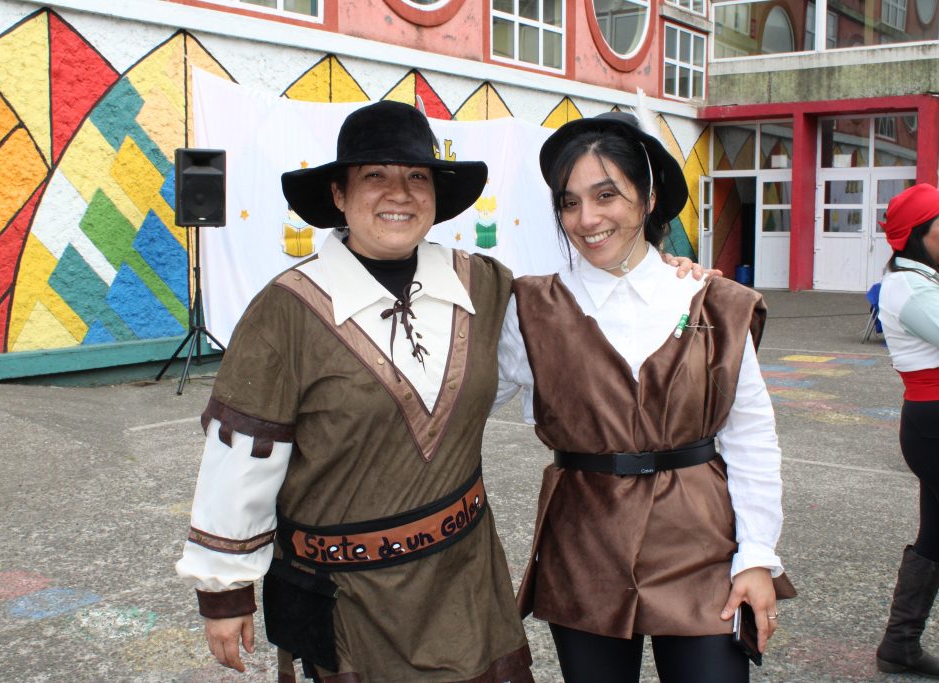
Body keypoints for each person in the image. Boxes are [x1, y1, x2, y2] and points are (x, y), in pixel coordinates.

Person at [175, 100, 534, 682]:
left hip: (466, 578)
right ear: (339, 195)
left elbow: (571, 332)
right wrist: (225, 590)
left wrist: (661, 274)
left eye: (417, 176)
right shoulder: (286, 310)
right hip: (350, 599)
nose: (400, 194)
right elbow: (242, 458)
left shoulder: (484, 285)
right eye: (375, 176)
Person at [495, 112, 795, 682]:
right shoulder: (530, 309)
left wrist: (757, 555)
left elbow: (751, 437)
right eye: (569, 202)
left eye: (606, 194)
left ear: (649, 197)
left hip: (701, 539)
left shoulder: (716, 303)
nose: (587, 219)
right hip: (585, 539)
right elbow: (463, 400)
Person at [876, 182, 939, 677]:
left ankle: (900, 645)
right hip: (932, 422)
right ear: (920, 234)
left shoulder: (922, 280)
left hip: (930, 421)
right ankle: (899, 643)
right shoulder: (911, 288)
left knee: (935, 534)